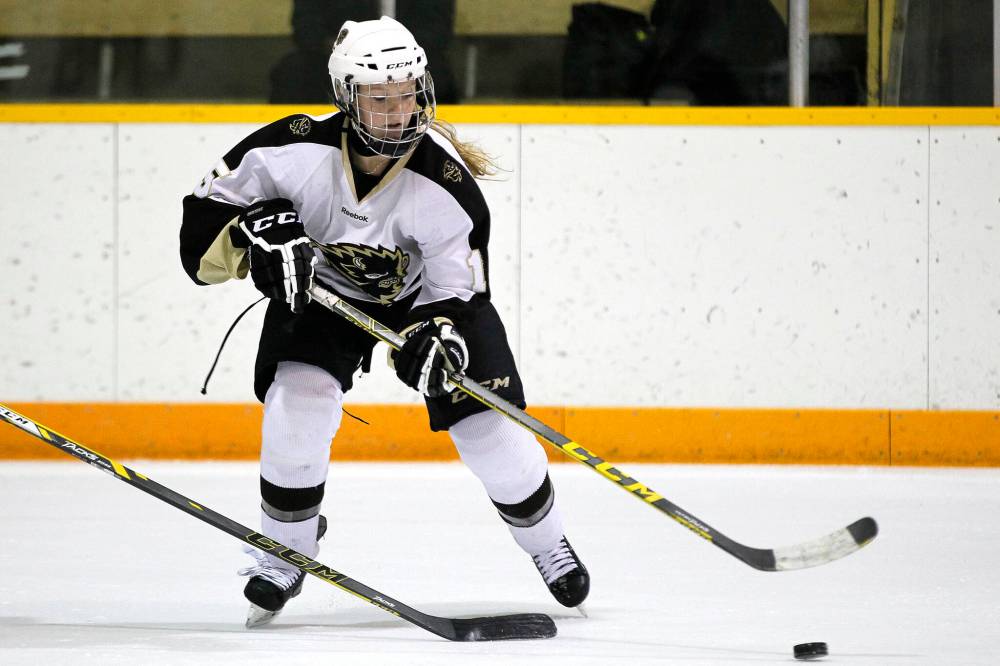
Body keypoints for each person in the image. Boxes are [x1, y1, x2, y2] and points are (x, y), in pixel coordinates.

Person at [180, 16, 589, 627]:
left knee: (492, 439)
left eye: (409, 92)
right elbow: (200, 233)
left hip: (427, 308)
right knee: (298, 403)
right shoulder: (287, 149)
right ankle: (285, 549)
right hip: (323, 299)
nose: (400, 110)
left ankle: (546, 542)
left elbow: (461, 289)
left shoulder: (446, 183)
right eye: (381, 97)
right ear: (347, 98)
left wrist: (440, 330)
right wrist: (251, 233)